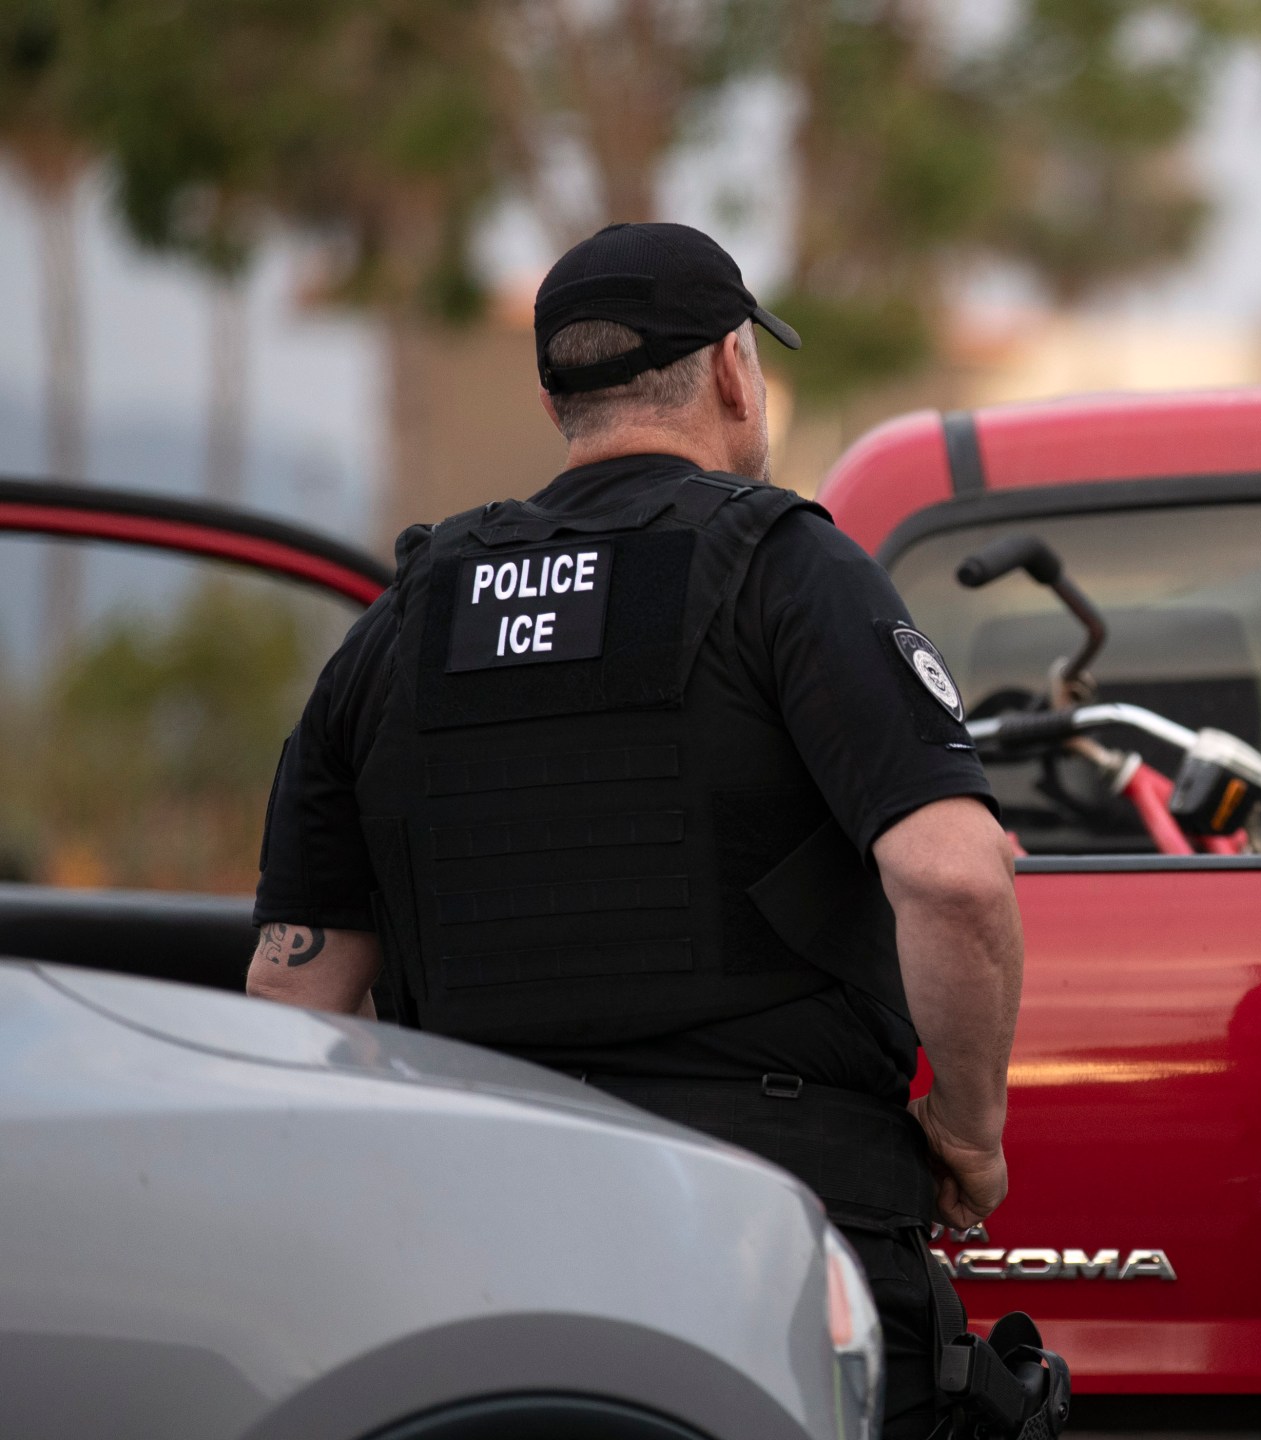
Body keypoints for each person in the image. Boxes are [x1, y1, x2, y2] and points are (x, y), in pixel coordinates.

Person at [246, 222, 1031, 1440]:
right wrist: (967, 1137)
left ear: (557, 394)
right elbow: (954, 878)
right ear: (732, 367)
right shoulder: (786, 568)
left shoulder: (403, 620)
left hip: (476, 1253)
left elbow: (295, 1004)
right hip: (768, 1232)